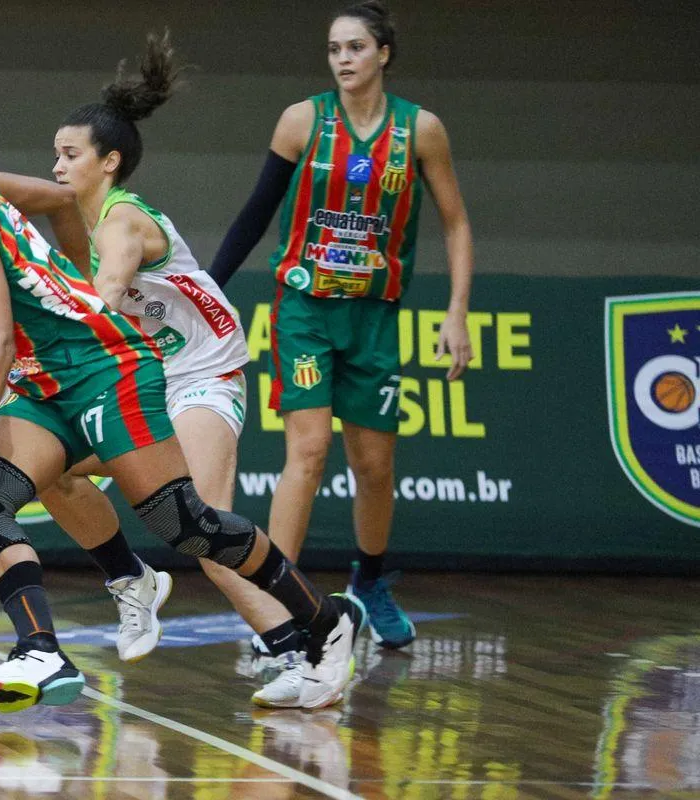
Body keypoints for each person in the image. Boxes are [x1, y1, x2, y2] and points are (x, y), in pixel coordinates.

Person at [0, 80, 363, 713]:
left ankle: (321, 623)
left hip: (106, 365)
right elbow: (59, 199)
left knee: (187, 523)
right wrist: (70, 269)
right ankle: (46, 645)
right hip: (51, 378)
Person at [0, 28, 275, 674]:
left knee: (205, 531)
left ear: (107, 162)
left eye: (69, 154)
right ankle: (131, 579)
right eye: (54, 154)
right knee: (54, 473)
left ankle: (302, 639)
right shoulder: (81, 226)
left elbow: (101, 297)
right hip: (152, 372)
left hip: (203, 373)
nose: (56, 167)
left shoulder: (123, 222)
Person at [206, 1, 474, 701]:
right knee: (308, 450)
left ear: (384, 53)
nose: (344, 58)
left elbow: (455, 222)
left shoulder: (422, 130)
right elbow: (256, 212)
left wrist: (457, 311)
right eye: (334, 48)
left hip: (375, 317)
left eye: (356, 46)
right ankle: (284, 614)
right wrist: (205, 291)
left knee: (375, 464)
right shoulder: (302, 121)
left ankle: (370, 580)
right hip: (304, 311)